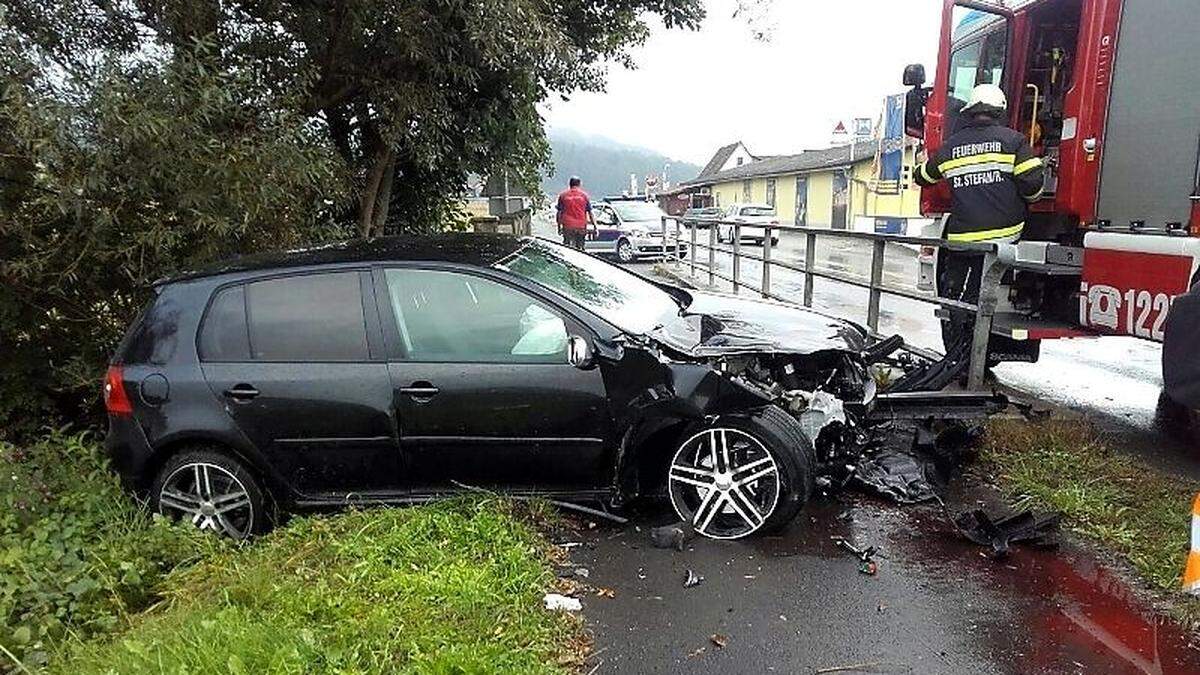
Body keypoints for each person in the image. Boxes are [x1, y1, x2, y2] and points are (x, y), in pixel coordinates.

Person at [913, 83, 1045, 354]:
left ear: (970, 112)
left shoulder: (952, 146)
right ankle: (973, 350)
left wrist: (921, 161)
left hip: (962, 239)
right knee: (981, 294)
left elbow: (923, 177)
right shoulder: (1014, 141)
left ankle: (959, 350)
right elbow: (1032, 184)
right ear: (1000, 111)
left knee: (956, 296)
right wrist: (1028, 201)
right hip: (1004, 238)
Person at [555, 176, 595, 251]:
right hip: (581, 226)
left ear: (569, 184)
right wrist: (595, 226)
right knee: (580, 248)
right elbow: (590, 213)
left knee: (567, 248)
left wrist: (559, 227)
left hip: (567, 226)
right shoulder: (584, 196)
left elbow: (559, 213)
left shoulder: (563, 195)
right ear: (579, 184)